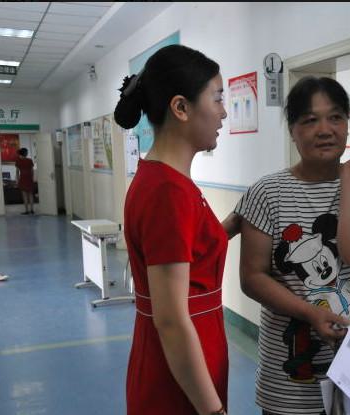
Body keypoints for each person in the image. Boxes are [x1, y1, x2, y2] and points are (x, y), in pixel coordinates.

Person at [235, 76, 350, 415]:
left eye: (335, 117)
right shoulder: (267, 192)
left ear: (348, 123)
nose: (325, 130)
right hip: (290, 376)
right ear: (292, 130)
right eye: (310, 120)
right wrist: (310, 313)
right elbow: (252, 277)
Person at [114, 44, 239, 415]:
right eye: (217, 98)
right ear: (181, 108)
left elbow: (189, 255)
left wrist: (234, 223)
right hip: (179, 370)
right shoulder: (168, 192)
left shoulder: (163, 180)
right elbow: (170, 320)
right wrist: (212, 410)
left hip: (185, 355)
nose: (224, 112)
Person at [15, 148, 35, 215]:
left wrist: (17, 181)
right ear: (25, 153)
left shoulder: (18, 161)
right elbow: (32, 171)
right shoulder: (30, 160)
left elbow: (17, 172)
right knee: (31, 195)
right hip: (29, 178)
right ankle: (32, 210)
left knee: (24, 195)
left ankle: (26, 211)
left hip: (22, 178)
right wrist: (32, 178)